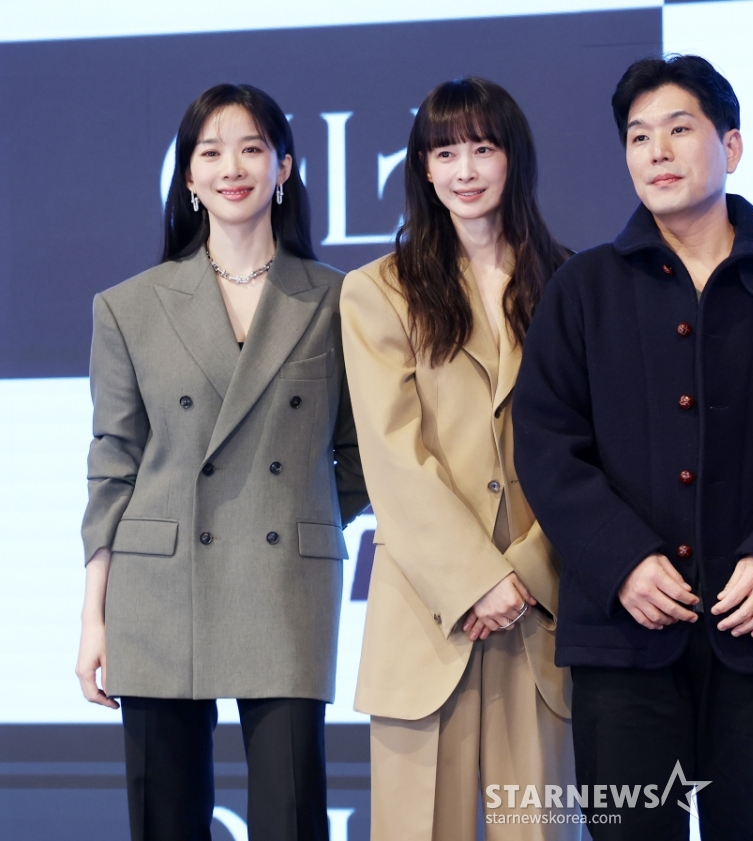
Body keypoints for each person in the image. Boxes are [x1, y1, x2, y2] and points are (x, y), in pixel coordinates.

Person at [513, 55, 753, 840]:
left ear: (732, 145)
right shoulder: (583, 287)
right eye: (638, 136)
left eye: (679, 130)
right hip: (622, 635)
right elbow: (547, 443)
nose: (657, 151)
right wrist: (622, 559)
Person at [76, 84, 368, 841]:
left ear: (285, 168)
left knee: (290, 814)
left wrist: (301, 510)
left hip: (285, 580)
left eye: (251, 148)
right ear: (188, 177)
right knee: (164, 818)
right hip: (159, 584)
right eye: (210, 152)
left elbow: (359, 453)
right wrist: (93, 616)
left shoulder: (341, 299)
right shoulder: (129, 306)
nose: (231, 167)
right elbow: (114, 465)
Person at [340, 77, 577, 840]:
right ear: (423, 168)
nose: (465, 170)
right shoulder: (377, 290)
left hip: (541, 611)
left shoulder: (571, 282)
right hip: (427, 612)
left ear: (514, 158)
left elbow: (593, 449)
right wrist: (479, 580)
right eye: (445, 153)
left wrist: (527, 571)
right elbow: (392, 457)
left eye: (482, 148)